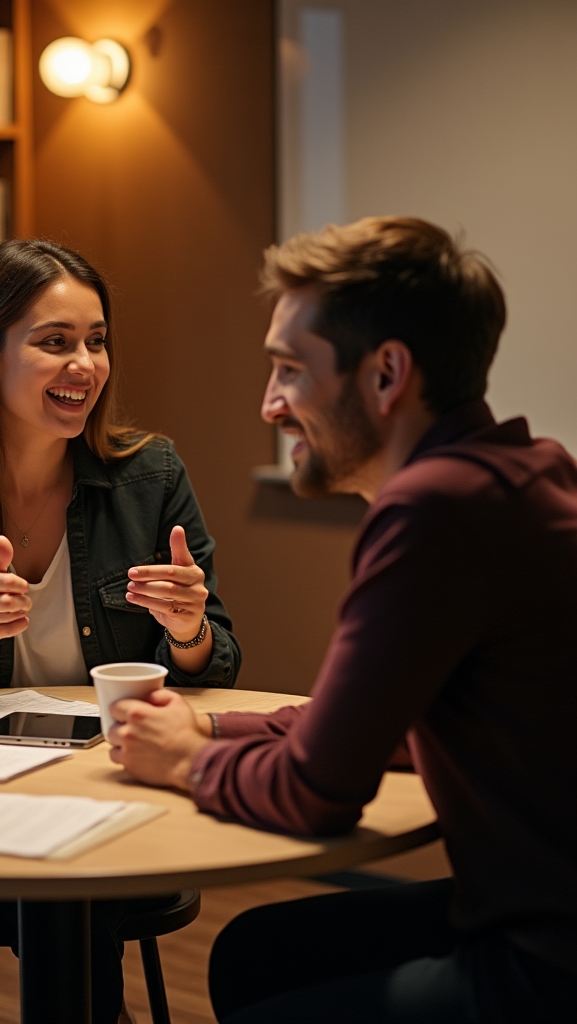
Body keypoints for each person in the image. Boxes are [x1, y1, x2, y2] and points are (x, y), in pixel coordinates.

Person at [108, 217, 577, 1022]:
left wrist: (186, 761)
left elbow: (315, 793)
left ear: (387, 373)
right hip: (534, 911)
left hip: (546, 963)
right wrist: (216, 729)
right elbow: (379, 725)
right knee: (262, 953)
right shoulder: (527, 471)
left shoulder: (434, 511)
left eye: (290, 370)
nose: (269, 405)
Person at [0, 238, 242, 1023]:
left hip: (115, 793)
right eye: (55, 342)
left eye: (96, 341)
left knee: (84, 878)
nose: (84, 365)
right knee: (72, 886)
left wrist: (189, 628)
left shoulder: (151, 474)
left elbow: (215, 668)